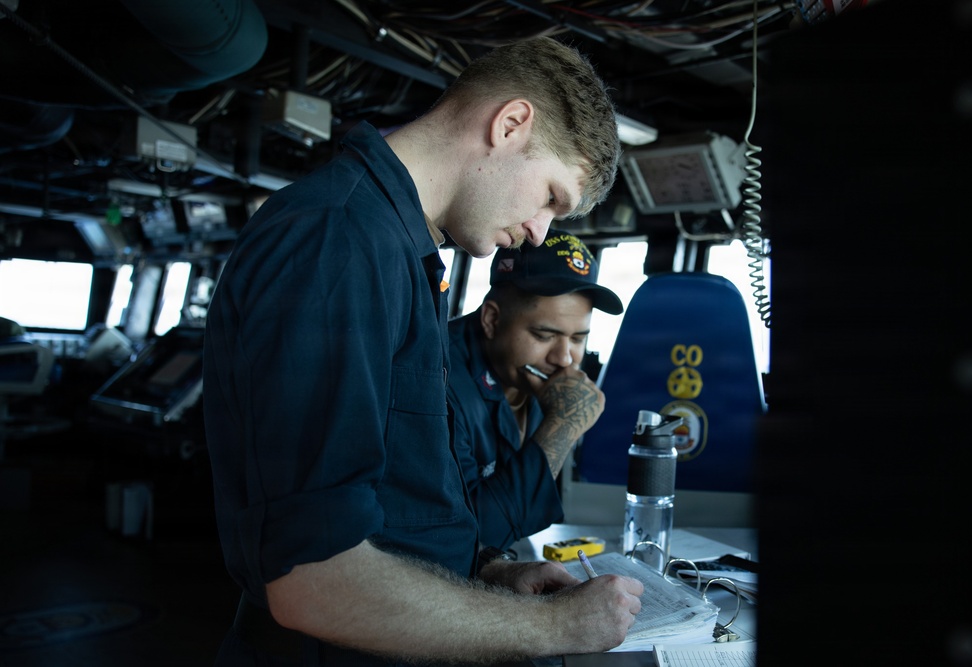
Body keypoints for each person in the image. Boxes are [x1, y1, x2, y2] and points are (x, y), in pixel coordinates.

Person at [202, 36, 642, 666]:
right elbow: (313, 579)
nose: (542, 230)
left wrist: (484, 574)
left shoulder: (400, 251)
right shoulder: (340, 240)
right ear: (511, 124)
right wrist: (551, 628)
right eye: (551, 196)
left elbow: (397, 509)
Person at [448, 229, 623, 550]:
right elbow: (467, 536)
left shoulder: (543, 378)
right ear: (491, 320)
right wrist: (565, 426)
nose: (564, 358)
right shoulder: (439, 380)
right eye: (544, 335)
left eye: (577, 338)